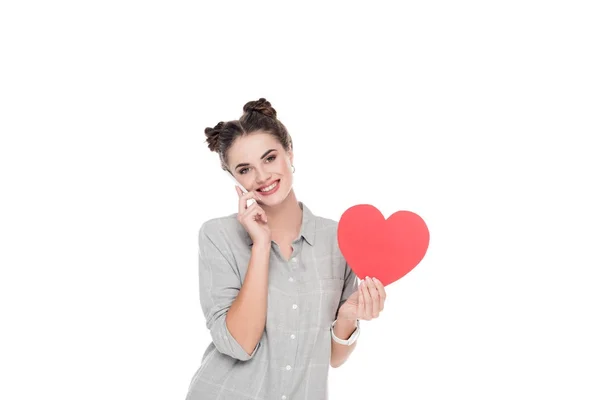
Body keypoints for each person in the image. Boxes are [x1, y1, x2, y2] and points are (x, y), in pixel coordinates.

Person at [185, 98, 387, 400]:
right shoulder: (218, 236)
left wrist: (347, 317)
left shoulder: (339, 238)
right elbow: (240, 344)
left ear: (289, 152)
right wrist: (262, 244)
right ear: (234, 179)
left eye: (269, 158)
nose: (262, 176)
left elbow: (332, 357)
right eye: (245, 169)